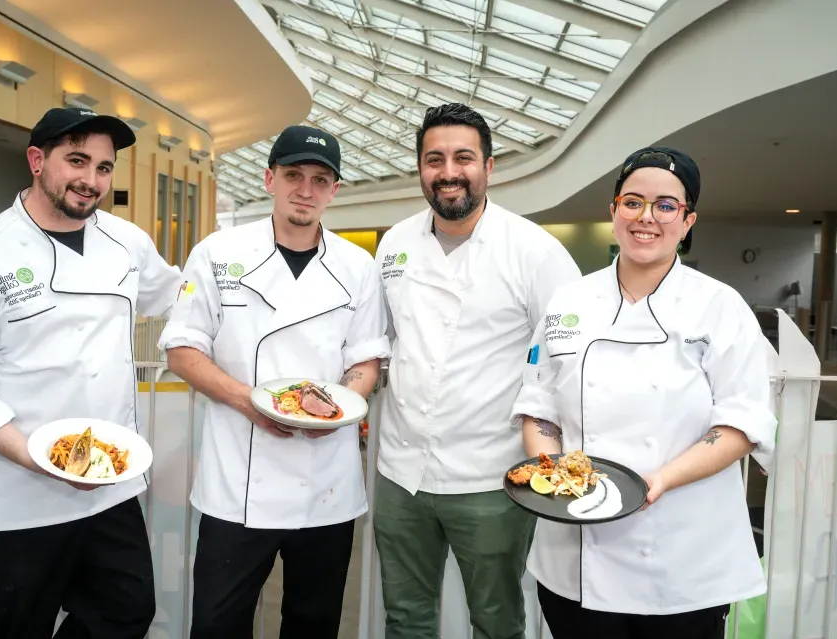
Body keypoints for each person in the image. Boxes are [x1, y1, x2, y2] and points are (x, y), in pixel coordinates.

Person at [0, 107, 183, 638]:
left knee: (127, 612)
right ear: (37, 160)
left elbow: (175, 294)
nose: (91, 181)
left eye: (105, 168)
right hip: (17, 498)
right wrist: (47, 462)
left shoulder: (127, 242)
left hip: (110, 487)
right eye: (77, 160)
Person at [511, 146, 775, 638]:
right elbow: (539, 408)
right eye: (632, 202)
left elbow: (741, 425)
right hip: (577, 557)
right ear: (613, 211)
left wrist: (661, 480)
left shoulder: (719, 306)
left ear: (688, 218)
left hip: (683, 558)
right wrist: (552, 477)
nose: (646, 218)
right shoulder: (569, 302)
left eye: (665, 205)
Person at [157, 125, 390, 639]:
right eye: (293, 175)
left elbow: (366, 360)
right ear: (269, 179)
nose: (306, 190)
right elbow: (181, 350)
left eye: (320, 179)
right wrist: (249, 401)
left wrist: (338, 405)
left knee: (314, 623)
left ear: (334, 190)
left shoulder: (358, 267)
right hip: (238, 479)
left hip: (326, 483)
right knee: (218, 624)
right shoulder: (218, 254)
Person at [373, 103, 581, 638]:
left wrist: (555, 455)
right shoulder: (394, 244)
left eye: (463, 157)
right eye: (434, 159)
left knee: (496, 621)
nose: (448, 172)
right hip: (402, 474)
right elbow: (386, 341)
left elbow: (568, 357)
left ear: (490, 167)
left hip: (492, 477)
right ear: (419, 168)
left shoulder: (535, 251)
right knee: (405, 618)